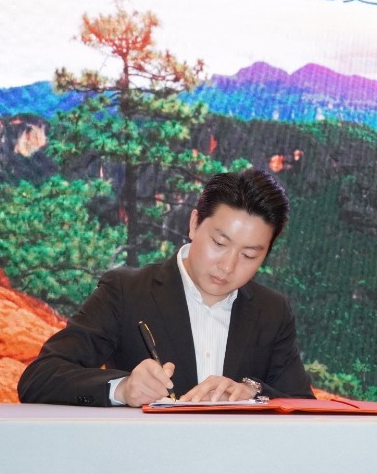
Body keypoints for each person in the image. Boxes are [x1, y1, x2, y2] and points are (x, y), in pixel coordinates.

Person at [18, 169, 314, 407]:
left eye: (249, 255)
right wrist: (123, 389)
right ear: (194, 223)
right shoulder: (127, 291)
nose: (227, 266)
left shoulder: (271, 311)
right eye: (219, 243)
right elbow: (40, 378)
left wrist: (252, 393)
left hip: (236, 462)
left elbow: (303, 404)